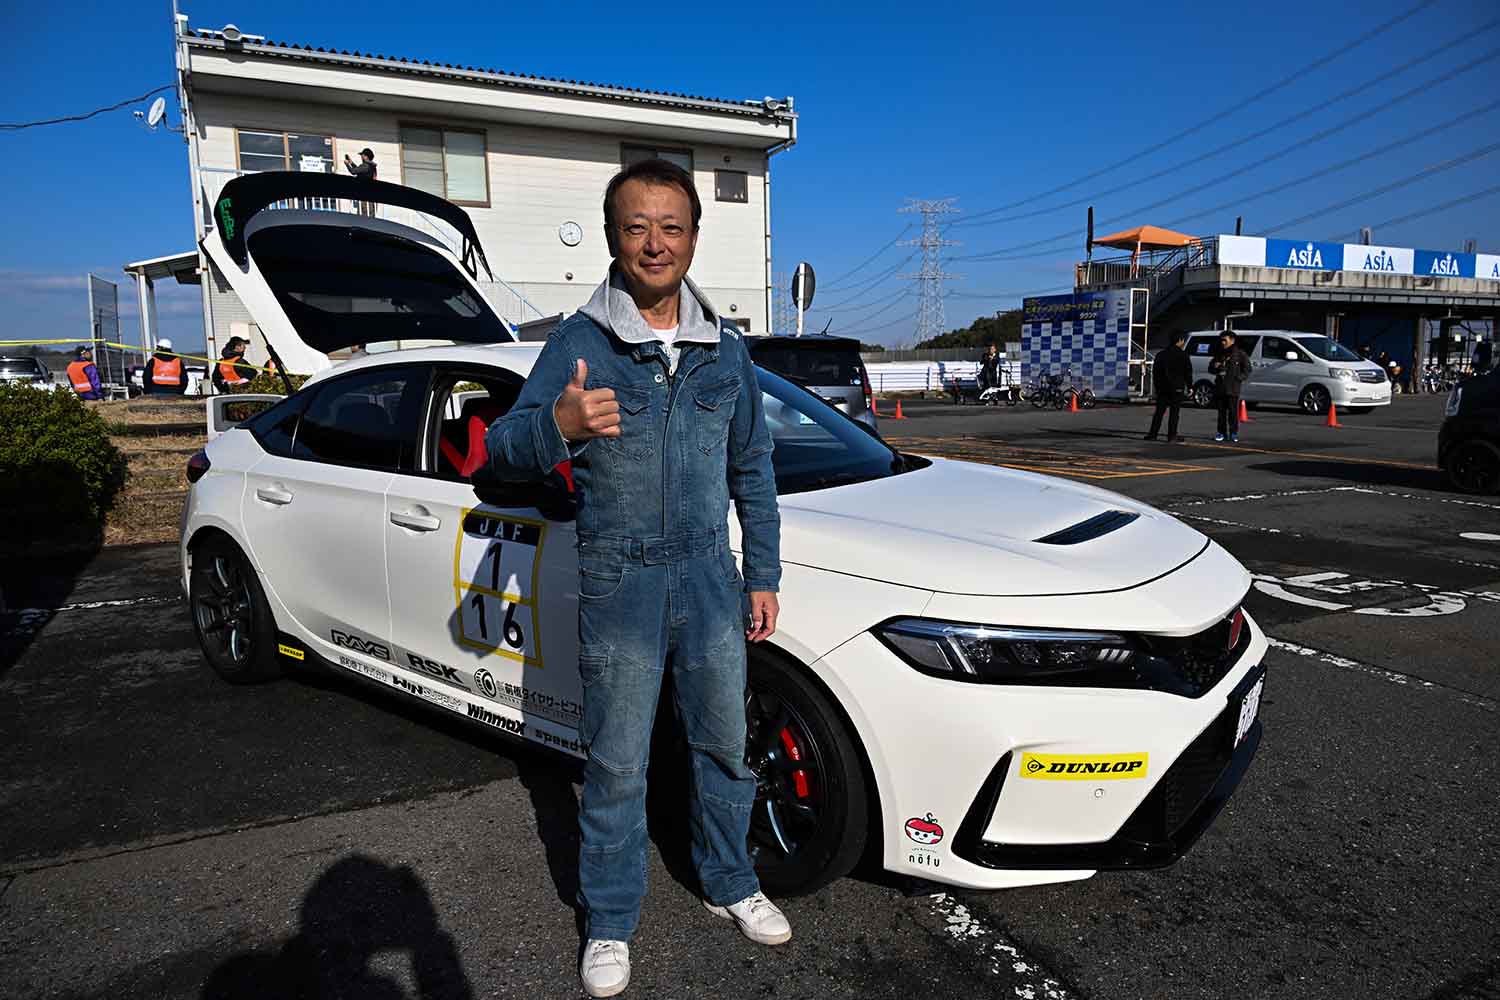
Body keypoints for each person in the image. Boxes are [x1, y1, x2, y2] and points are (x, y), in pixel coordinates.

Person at [485, 158, 786, 999]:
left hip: (708, 578)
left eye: (672, 226)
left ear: (694, 235)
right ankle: (610, 919)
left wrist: (761, 572)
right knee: (616, 762)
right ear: (613, 236)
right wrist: (559, 422)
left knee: (723, 747)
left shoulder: (725, 348)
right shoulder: (580, 342)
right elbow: (503, 451)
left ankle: (731, 881)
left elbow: (752, 466)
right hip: (620, 582)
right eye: (636, 226)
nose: (655, 243)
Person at [1143, 331, 1192, 442]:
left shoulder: (1161, 354)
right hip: (1177, 388)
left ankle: (1153, 434)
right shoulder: (1183, 355)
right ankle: (1172, 436)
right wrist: (1190, 386)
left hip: (1162, 388)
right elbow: (1187, 372)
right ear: (1180, 341)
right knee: (1174, 413)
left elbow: (1155, 373)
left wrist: (1157, 386)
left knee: (1159, 412)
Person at [1209, 330, 1251, 442]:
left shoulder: (1240, 354)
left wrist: (1238, 378)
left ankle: (1233, 433)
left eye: (1225, 340)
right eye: (1221, 340)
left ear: (1232, 340)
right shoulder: (1219, 353)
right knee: (1221, 413)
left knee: (1233, 413)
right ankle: (1221, 433)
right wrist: (1215, 366)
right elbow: (1211, 369)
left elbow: (1247, 370)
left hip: (1233, 388)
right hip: (1221, 387)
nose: (1222, 342)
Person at [344, 148, 377, 216]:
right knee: (369, 214)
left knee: (364, 214)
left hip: (364, 194)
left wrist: (347, 164)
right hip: (370, 194)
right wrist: (351, 162)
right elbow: (359, 171)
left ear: (366, 156)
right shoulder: (371, 166)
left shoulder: (366, 166)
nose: (361, 157)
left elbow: (353, 171)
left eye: (362, 155)